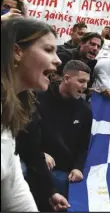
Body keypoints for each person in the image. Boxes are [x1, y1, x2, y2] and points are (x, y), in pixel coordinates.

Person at [1, 17, 62, 211]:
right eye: (48, 50)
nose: (58, 60)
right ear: (17, 52)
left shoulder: (15, 110)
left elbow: (14, 187)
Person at [32, 60, 93, 200]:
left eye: (87, 82)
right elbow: (24, 134)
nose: (85, 86)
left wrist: (78, 167)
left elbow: (83, 145)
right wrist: (40, 154)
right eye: (81, 81)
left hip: (64, 171)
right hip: (35, 162)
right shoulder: (39, 98)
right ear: (66, 78)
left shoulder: (85, 110)